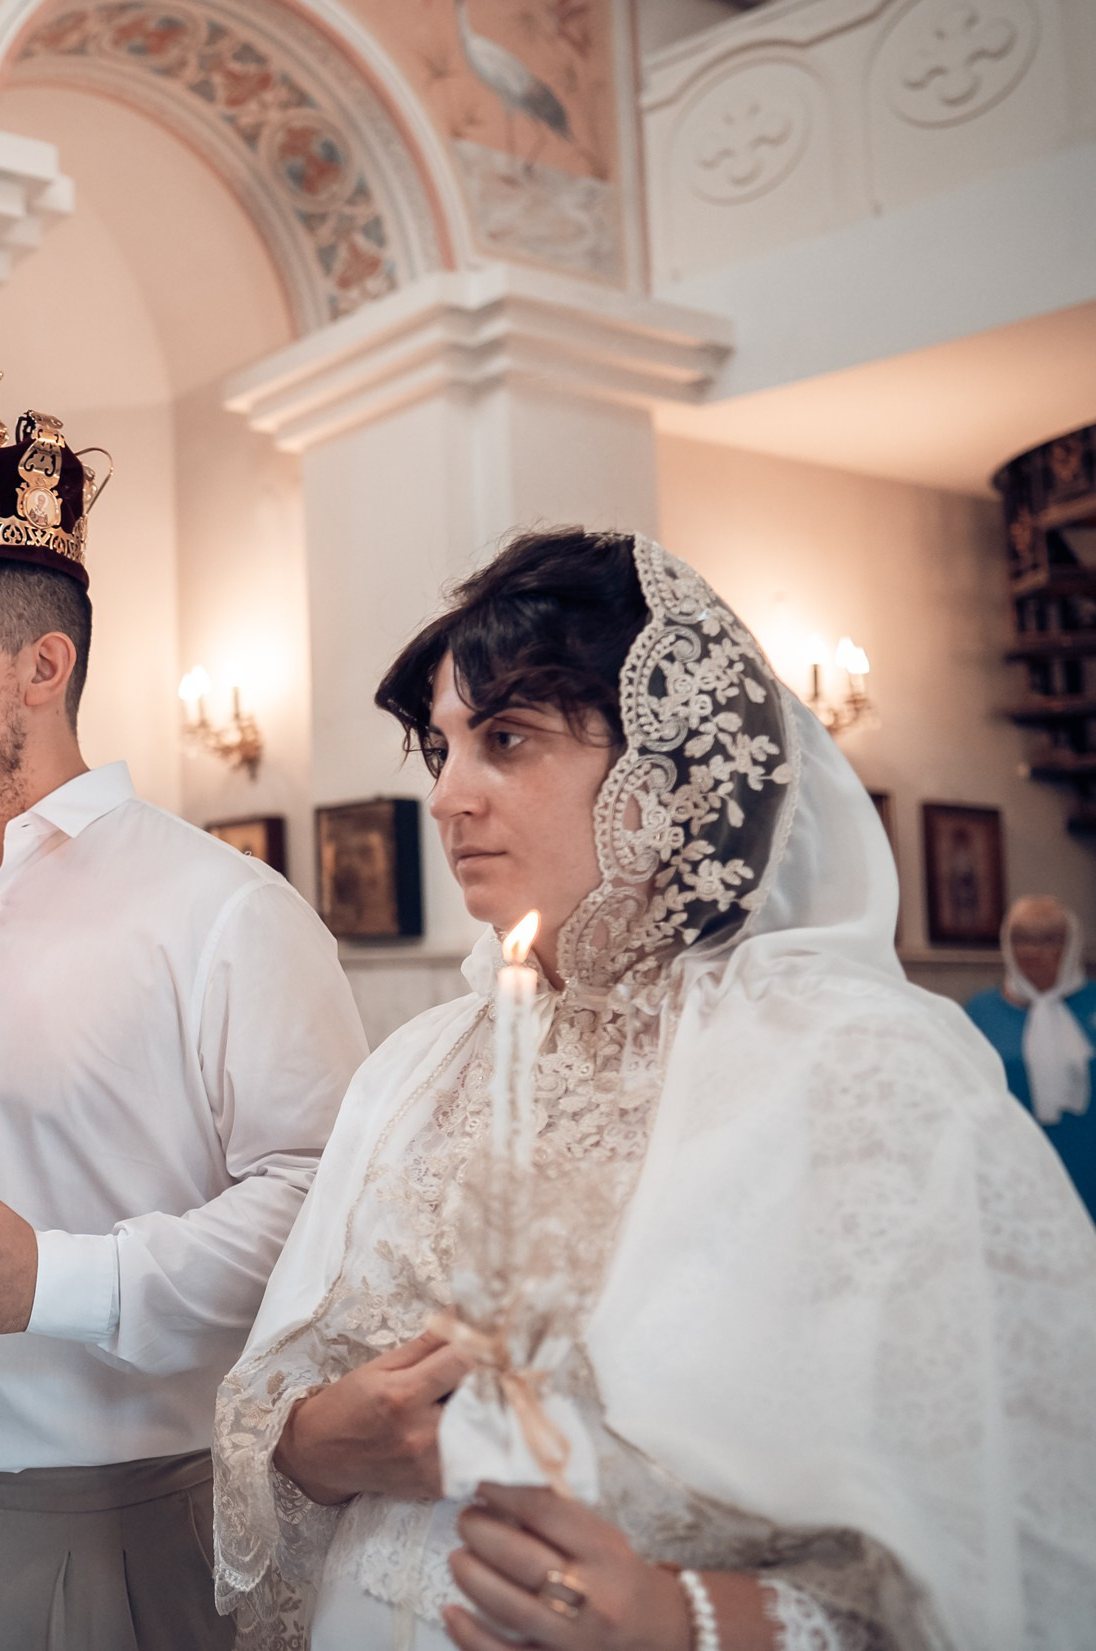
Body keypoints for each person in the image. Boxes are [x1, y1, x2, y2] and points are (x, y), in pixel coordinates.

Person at [215, 530, 1096, 1650]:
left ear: (667, 769)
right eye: (440, 748)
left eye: (506, 738)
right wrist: (313, 1446)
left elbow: (1021, 1546)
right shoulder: (411, 1066)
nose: (447, 797)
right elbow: (280, 1396)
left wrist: (683, 1620)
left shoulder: (864, 1073)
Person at [0, 395, 368, 1649]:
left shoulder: (220, 911)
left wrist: (60, 1279)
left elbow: (318, 1196)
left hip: (120, 1520)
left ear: (40, 666)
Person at [964, 894, 1096, 1211]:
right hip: (1016, 1167)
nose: (1033, 951)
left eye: (1049, 939)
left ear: (1071, 945)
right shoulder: (980, 1013)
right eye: (1021, 938)